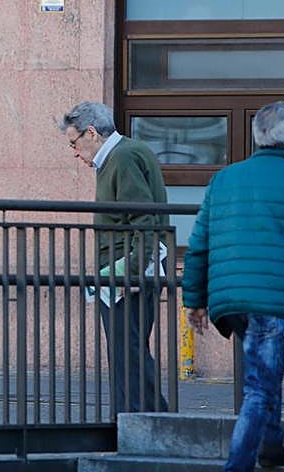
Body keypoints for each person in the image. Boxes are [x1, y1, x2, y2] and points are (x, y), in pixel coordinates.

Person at [183, 101, 284, 472]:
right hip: (272, 303)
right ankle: (237, 466)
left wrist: (195, 300)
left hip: (230, 301)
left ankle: (272, 447)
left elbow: (199, 244)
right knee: (258, 388)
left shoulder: (224, 178)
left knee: (264, 374)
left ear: (258, 138)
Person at [60, 100, 169, 414]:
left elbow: (143, 220)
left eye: (74, 143)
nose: (74, 152)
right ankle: (138, 417)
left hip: (128, 271)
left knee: (127, 350)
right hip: (131, 267)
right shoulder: (125, 153)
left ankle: (145, 419)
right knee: (129, 350)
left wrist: (129, 274)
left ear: (91, 133)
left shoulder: (120, 157)